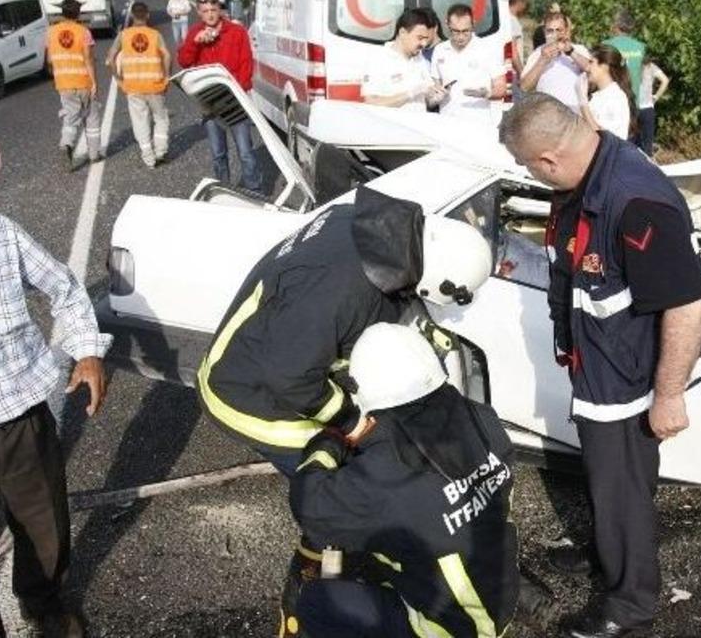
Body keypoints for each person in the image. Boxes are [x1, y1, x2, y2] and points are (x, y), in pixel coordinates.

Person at [196, 186, 492, 636]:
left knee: (361, 475)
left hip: (277, 362)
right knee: (343, 488)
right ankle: (305, 599)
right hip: (253, 395)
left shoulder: (377, 230)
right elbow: (290, 378)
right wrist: (352, 424)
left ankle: (341, 562)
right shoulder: (344, 288)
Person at [498, 94, 701, 638]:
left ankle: (630, 604)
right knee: (613, 479)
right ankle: (610, 555)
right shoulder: (587, 178)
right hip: (603, 360)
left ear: (548, 160)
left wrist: (668, 396)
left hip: (633, 377)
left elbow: (687, 304)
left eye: (530, 167)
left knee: (621, 485)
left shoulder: (633, 199)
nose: (534, 175)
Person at [290, 323, 519, 638]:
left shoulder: (387, 477)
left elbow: (310, 507)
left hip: (449, 629)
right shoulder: (484, 420)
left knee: (317, 602)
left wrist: (326, 446)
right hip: (500, 596)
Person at [0, 136, 109, 638]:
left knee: (44, 530)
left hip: (21, 419)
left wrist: (88, 350)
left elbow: (66, 288)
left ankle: (44, 603)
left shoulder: (1, 237)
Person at [178, 0, 262, 193]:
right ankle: (225, 191)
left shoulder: (236, 32)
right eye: (205, 11)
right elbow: (184, 62)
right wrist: (195, 43)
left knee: (245, 152)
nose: (210, 15)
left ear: (219, 9)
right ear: (198, 12)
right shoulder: (194, 33)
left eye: (213, 10)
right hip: (210, 103)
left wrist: (237, 91)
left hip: (235, 100)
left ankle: (255, 190)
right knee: (218, 153)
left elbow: (246, 64)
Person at [105, 1, 171, 168]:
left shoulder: (123, 35)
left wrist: (118, 79)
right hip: (155, 85)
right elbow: (167, 55)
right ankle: (161, 151)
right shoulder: (155, 35)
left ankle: (148, 156)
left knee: (140, 121)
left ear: (133, 16)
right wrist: (167, 77)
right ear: (147, 15)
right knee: (161, 118)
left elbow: (111, 57)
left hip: (133, 86)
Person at [47, 0, 101, 170]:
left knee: (70, 118)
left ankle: (66, 144)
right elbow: (88, 59)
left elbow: (49, 60)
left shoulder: (51, 32)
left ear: (62, 13)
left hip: (64, 83)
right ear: (78, 13)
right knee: (91, 117)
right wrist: (94, 83)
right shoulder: (83, 32)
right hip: (83, 81)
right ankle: (94, 155)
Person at [431, 3, 507, 124]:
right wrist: (436, 97)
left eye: (465, 31)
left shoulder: (487, 49)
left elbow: (502, 88)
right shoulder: (440, 50)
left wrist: (487, 93)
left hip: (479, 123)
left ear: (473, 24)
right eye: (455, 31)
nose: (460, 37)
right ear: (447, 24)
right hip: (447, 122)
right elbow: (434, 88)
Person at [362, 8, 447, 112]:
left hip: (418, 125)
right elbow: (372, 103)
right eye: (420, 38)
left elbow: (425, 101)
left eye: (426, 38)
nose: (424, 44)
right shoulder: (379, 59)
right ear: (402, 32)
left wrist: (435, 99)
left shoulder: (420, 59)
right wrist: (410, 93)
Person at [520, 10, 591, 114]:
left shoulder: (579, 49)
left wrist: (571, 52)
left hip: (575, 112)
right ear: (544, 32)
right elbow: (524, 87)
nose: (555, 34)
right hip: (548, 112)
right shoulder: (537, 54)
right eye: (550, 31)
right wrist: (542, 60)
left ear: (566, 31)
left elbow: (592, 71)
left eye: (559, 30)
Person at [577, 44, 634, 140]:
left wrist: (583, 102)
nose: (587, 68)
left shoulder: (616, 97)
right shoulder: (598, 96)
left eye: (591, 62)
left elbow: (602, 137)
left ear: (604, 66)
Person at [603, 9, 645, 107]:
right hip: (634, 100)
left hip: (613, 100)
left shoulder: (607, 45)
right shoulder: (640, 47)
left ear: (616, 26)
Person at [636, 57, 669, 156]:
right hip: (647, 108)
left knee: (632, 143)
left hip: (633, 108)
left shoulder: (629, 66)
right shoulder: (651, 67)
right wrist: (656, 97)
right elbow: (665, 80)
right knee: (647, 144)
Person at [508, 0, 528, 97]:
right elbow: (512, 49)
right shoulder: (512, 21)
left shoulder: (504, 19)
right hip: (513, 73)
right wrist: (521, 72)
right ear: (519, 3)